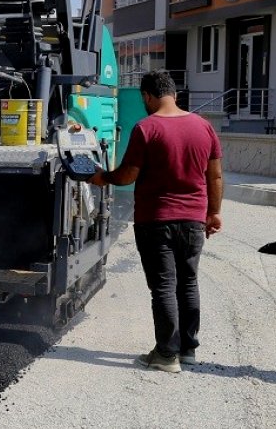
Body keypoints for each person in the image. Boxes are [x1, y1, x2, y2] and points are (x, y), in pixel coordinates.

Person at [84, 70, 223, 373]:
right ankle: (187, 350)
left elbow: (127, 175)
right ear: (174, 93)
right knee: (188, 282)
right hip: (194, 221)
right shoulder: (204, 127)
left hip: (156, 220)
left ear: (147, 96)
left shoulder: (147, 128)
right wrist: (213, 213)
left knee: (163, 286)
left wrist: (100, 177)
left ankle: (166, 354)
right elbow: (215, 176)